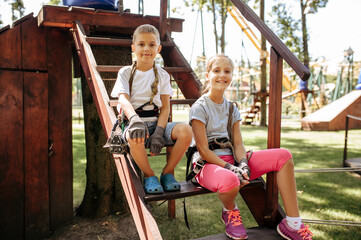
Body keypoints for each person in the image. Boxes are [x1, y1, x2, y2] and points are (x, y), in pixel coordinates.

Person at [188, 54, 313, 240]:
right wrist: (231, 168)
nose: (222, 75)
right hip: (207, 164)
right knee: (231, 179)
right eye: (216, 71)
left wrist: (243, 164)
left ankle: (293, 224)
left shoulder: (232, 108)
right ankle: (230, 211)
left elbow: (238, 143)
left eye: (227, 71)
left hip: (232, 159)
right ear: (207, 75)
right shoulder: (199, 107)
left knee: (284, 156)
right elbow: (204, 151)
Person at [110, 24, 192, 194]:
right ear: (133, 48)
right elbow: (123, 99)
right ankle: (149, 175)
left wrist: (159, 132)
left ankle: (168, 172)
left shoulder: (162, 75)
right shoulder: (125, 72)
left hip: (156, 124)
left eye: (152, 45)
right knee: (135, 135)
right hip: (133, 123)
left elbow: (165, 107)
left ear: (158, 48)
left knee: (186, 130)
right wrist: (134, 120)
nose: (146, 49)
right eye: (141, 44)